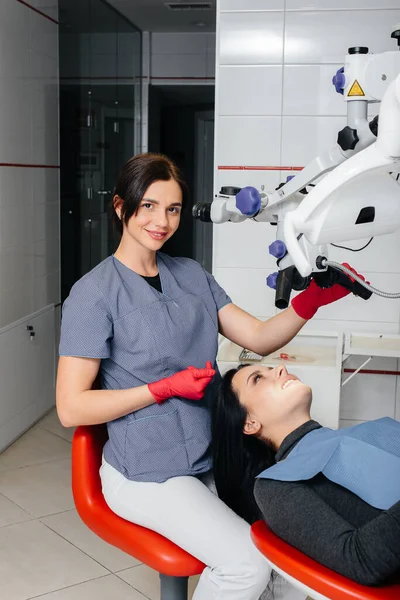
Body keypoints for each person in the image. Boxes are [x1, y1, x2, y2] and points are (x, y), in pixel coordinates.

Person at [57, 152, 363, 600]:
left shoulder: (192, 276)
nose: (162, 221)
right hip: (148, 473)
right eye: (149, 206)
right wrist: (161, 390)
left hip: (211, 454)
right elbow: (71, 407)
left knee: (291, 549)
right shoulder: (93, 295)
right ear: (121, 207)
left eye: (173, 209)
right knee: (245, 565)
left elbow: (258, 337)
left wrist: (310, 302)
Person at [212, 363, 400, 587]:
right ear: (250, 423)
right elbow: (360, 561)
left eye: (271, 367)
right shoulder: (276, 486)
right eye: (258, 379)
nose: (281, 368)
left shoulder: (361, 433)